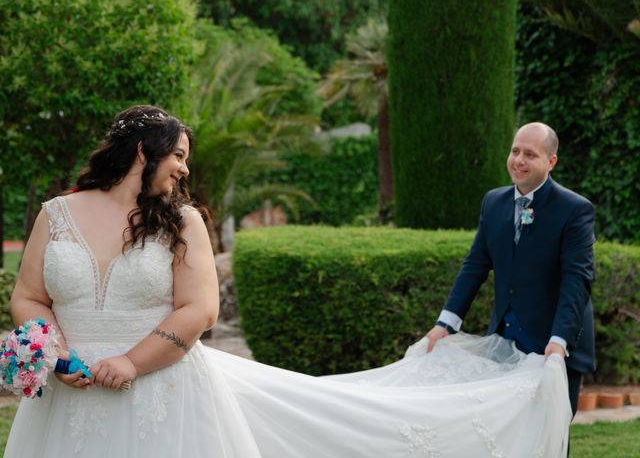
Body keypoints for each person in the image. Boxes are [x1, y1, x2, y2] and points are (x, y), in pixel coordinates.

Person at [5, 108, 572, 457]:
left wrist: (130, 362)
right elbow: (29, 296)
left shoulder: (182, 221)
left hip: (158, 393)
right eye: (177, 155)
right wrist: (54, 355)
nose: (183, 168)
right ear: (140, 151)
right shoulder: (58, 213)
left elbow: (199, 310)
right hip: (65, 396)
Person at [426, 122, 596, 419]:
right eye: (515, 151)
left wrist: (558, 343)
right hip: (503, 344)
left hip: (553, 345)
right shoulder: (493, 202)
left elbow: (577, 279)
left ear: (551, 161)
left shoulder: (575, 209)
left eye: (530, 154)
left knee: (548, 435)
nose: (518, 160)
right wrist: (446, 323)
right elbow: (475, 265)